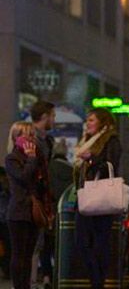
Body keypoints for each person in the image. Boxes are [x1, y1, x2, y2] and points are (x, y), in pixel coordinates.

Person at [73, 109, 121, 289]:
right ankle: (96, 281)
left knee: (100, 242)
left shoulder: (111, 140)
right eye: (87, 120)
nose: (88, 123)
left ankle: (98, 282)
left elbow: (111, 165)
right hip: (86, 196)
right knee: (82, 242)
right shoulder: (87, 141)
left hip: (101, 197)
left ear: (103, 122)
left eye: (92, 120)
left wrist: (91, 159)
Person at [6, 121, 49, 289]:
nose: (31, 138)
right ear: (16, 137)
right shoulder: (12, 158)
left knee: (29, 254)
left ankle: (26, 285)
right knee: (19, 254)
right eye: (27, 134)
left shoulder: (37, 157)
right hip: (19, 211)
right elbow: (23, 177)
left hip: (34, 211)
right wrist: (31, 159)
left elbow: (43, 183)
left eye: (32, 134)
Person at [30, 101, 56, 289]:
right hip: (33, 198)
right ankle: (29, 283)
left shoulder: (48, 140)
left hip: (43, 197)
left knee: (40, 242)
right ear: (45, 116)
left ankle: (32, 281)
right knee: (32, 243)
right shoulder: (30, 139)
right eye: (53, 116)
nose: (54, 120)